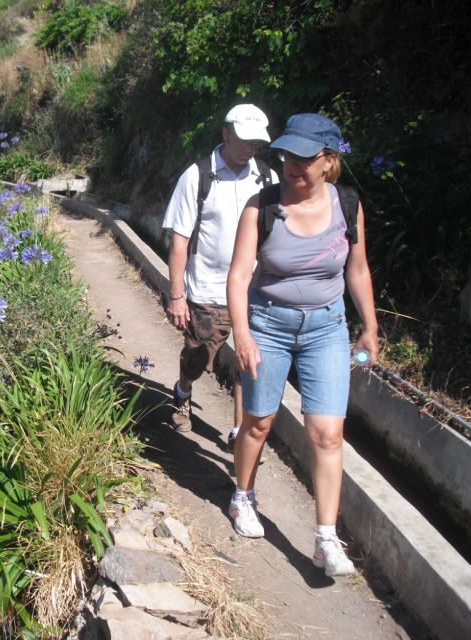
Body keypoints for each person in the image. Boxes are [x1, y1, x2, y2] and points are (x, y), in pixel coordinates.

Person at [225, 113, 379, 576]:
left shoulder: (348, 205)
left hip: (327, 329)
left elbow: (357, 270)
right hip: (268, 324)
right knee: (258, 423)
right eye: (288, 154)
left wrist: (369, 326)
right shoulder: (262, 206)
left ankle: (326, 539)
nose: (293, 165)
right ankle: (242, 496)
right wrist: (244, 335)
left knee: (328, 433)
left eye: (305, 157)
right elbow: (238, 276)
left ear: (328, 160)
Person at [162, 104, 279, 447]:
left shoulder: (267, 179)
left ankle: (239, 432)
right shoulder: (198, 176)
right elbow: (180, 240)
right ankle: (184, 389)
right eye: (244, 139)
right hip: (208, 292)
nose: (250, 147)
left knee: (248, 364)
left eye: (256, 141)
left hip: (253, 291)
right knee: (199, 359)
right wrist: (176, 295)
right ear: (225, 134)